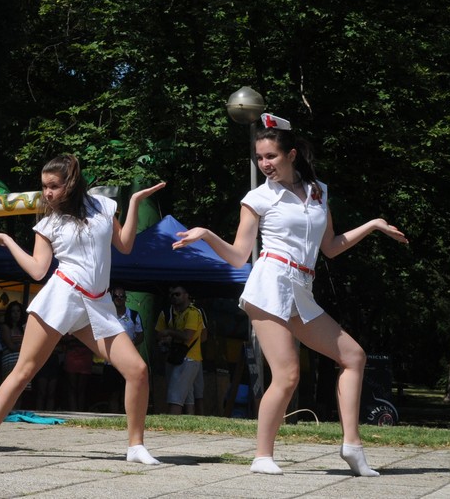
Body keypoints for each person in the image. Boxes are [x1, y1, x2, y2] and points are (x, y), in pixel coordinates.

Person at [171, 113, 408, 476]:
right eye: (259, 158)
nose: (264, 164)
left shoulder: (318, 191)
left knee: (353, 357)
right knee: (287, 375)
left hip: (302, 289)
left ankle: (352, 446)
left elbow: (331, 247)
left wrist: (373, 225)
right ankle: (262, 456)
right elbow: (238, 256)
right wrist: (206, 233)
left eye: (271, 156)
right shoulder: (257, 198)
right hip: (270, 284)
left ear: (291, 154)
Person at [0, 154, 165, 463]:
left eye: (53, 186)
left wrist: (135, 202)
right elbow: (37, 271)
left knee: (137, 370)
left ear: (71, 183)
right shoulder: (49, 224)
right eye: (44, 187)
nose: (47, 193)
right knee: (24, 371)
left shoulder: (104, 206)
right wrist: (6, 240)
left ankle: (135, 446)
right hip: (62, 297)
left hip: (97, 304)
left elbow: (125, 246)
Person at [155, 285, 204, 415]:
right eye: (172, 295)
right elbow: (158, 334)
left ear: (187, 295)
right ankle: (186, 424)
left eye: (177, 294)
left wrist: (169, 332)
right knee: (186, 399)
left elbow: (188, 336)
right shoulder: (170, 313)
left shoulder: (193, 313)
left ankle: (172, 423)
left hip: (189, 358)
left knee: (175, 398)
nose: (174, 297)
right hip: (175, 357)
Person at [103, 287, 143, 413]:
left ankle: (127, 416)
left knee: (127, 391)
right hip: (111, 361)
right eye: (116, 296)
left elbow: (141, 335)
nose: (119, 299)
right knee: (113, 393)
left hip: (129, 360)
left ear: (126, 298)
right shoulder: (107, 315)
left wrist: (131, 344)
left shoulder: (134, 315)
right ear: (112, 298)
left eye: (121, 296)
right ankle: (113, 416)